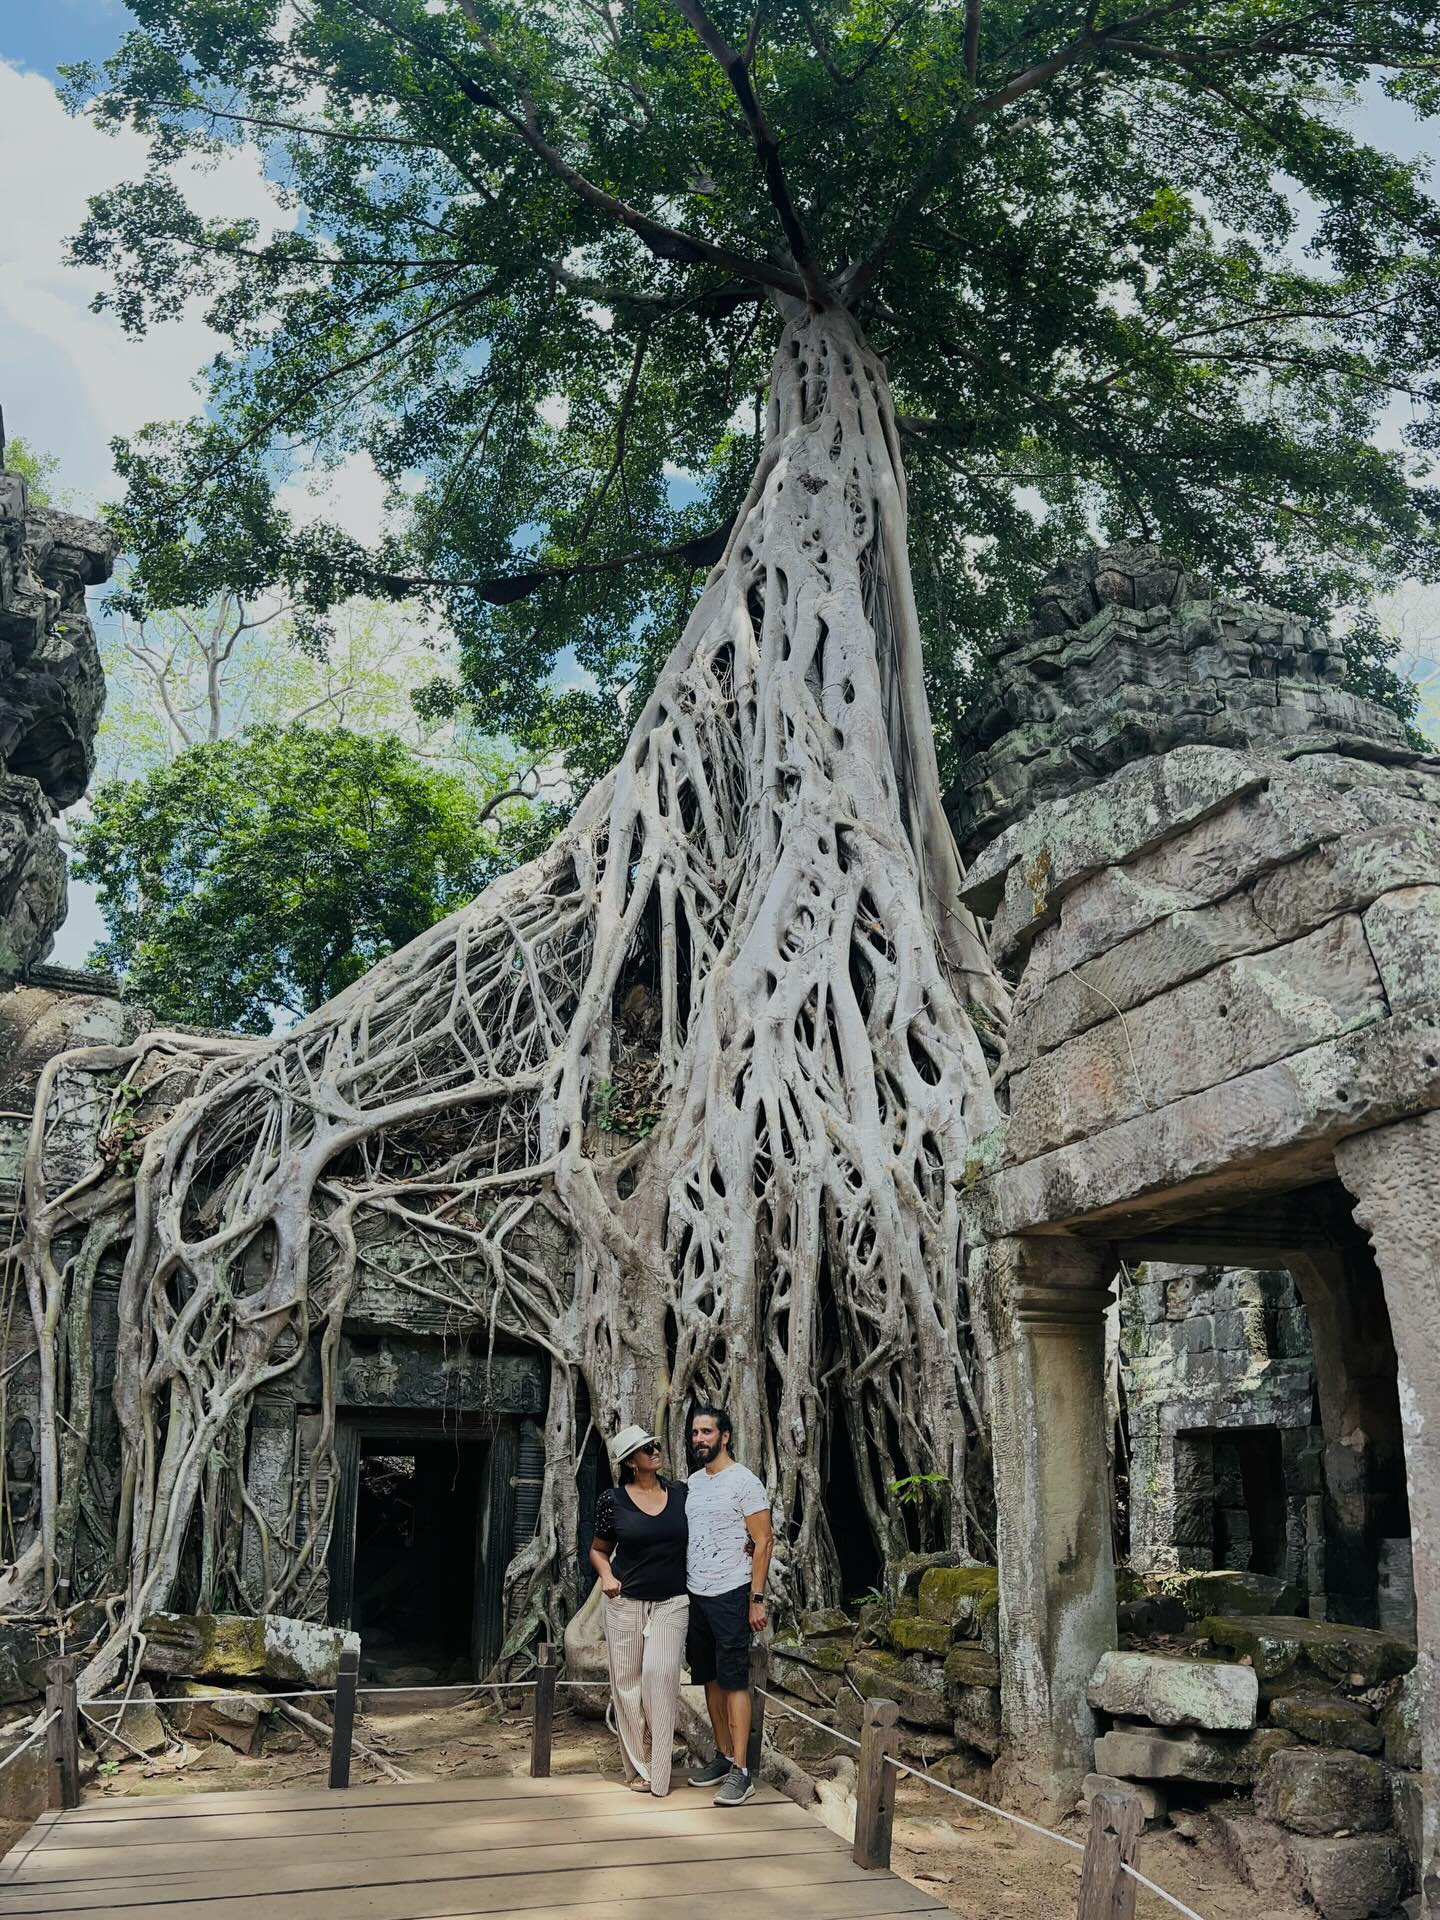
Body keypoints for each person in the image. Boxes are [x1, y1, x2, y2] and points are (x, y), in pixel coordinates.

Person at [590, 1423, 690, 1796]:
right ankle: (638, 1768)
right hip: (624, 1601)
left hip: (673, 1601)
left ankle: (660, 1773)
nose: (655, 1450)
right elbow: (598, 1549)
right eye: (647, 1448)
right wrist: (606, 1576)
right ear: (631, 1461)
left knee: (659, 1678)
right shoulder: (612, 1501)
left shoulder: (681, 1493)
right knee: (627, 1686)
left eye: (655, 1444)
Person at [684, 1403, 773, 1807]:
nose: (699, 1439)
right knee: (709, 1676)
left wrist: (756, 1598)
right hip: (696, 1593)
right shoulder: (694, 1482)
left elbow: (764, 1540)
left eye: (706, 1432)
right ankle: (722, 1757)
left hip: (732, 1592)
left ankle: (741, 1772)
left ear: (725, 1436)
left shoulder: (745, 1482)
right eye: (695, 1432)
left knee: (735, 1678)